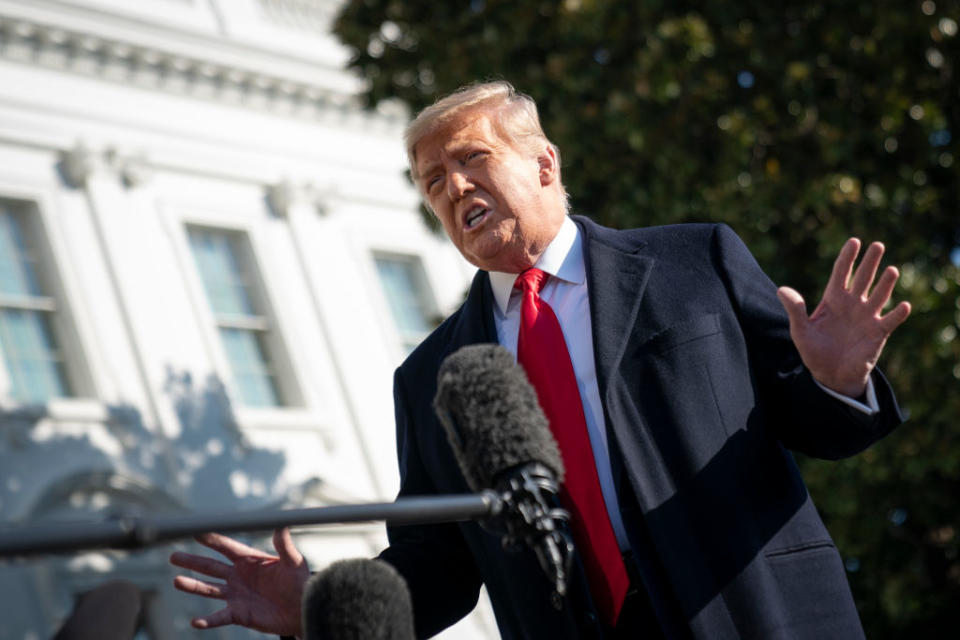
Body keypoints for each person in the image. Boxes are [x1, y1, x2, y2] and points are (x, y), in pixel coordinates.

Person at [170, 81, 911, 639]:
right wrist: (321, 607)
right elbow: (438, 570)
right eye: (434, 181)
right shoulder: (433, 377)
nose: (455, 187)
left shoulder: (695, 262)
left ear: (545, 164)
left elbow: (814, 426)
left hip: (756, 615)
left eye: (472, 160)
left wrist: (837, 381)